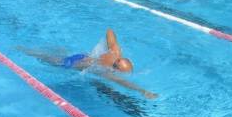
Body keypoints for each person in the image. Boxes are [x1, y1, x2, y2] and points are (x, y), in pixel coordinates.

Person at [24, 29, 157, 99]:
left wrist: (114, 47)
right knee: (45, 57)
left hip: (82, 56)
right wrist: (142, 90)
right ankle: (24, 50)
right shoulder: (107, 71)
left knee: (57, 53)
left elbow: (109, 31)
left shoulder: (115, 52)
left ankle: (28, 49)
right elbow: (124, 83)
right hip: (72, 63)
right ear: (116, 70)